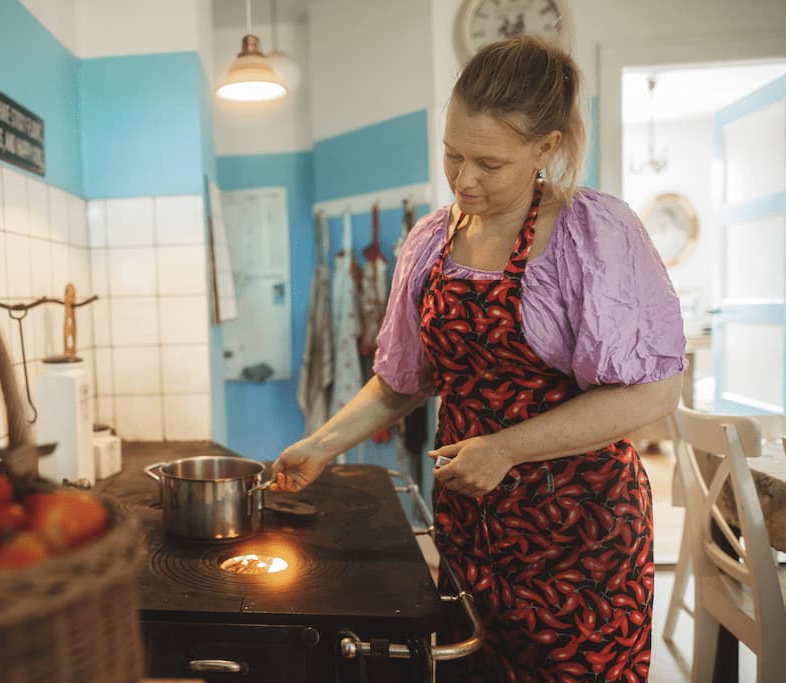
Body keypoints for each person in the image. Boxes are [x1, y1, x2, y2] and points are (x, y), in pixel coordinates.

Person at [271, 35, 686, 682]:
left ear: (546, 147)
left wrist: (507, 447)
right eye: (452, 154)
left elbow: (654, 392)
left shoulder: (594, 235)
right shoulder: (432, 240)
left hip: (581, 542)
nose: (464, 179)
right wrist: (321, 444)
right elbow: (401, 381)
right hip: (471, 531)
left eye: (488, 163)